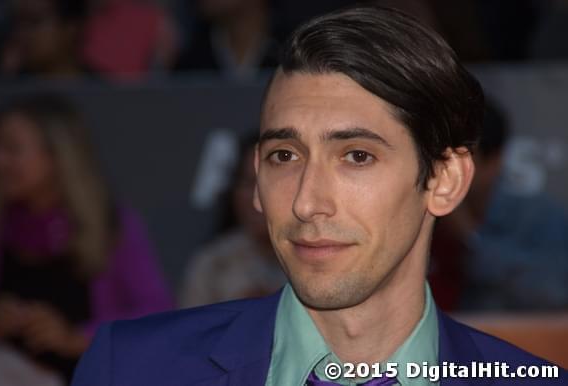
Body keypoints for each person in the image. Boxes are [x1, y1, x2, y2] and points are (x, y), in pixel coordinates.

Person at [71, 5, 568, 386]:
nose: (306, 202)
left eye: (356, 156)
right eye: (284, 156)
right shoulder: (132, 368)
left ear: (445, 181)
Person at [0, 94, 173, 381]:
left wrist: (75, 337)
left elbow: (158, 313)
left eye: (12, 149)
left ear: (56, 156)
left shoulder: (110, 225)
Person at [435, 99, 568, 311]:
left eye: (461, 160)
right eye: (440, 158)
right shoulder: (425, 214)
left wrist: (470, 238)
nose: (447, 172)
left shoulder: (541, 217)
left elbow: (555, 292)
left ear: (494, 161)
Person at [179, 136, 285, 308]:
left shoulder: (322, 256)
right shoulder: (213, 264)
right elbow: (189, 332)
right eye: (248, 183)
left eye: (268, 182)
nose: (257, 196)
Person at [0, 0, 91, 79]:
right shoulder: (10, 82)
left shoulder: (100, 89)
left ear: (70, 29)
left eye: (35, 21)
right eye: (18, 23)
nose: (21, 34)